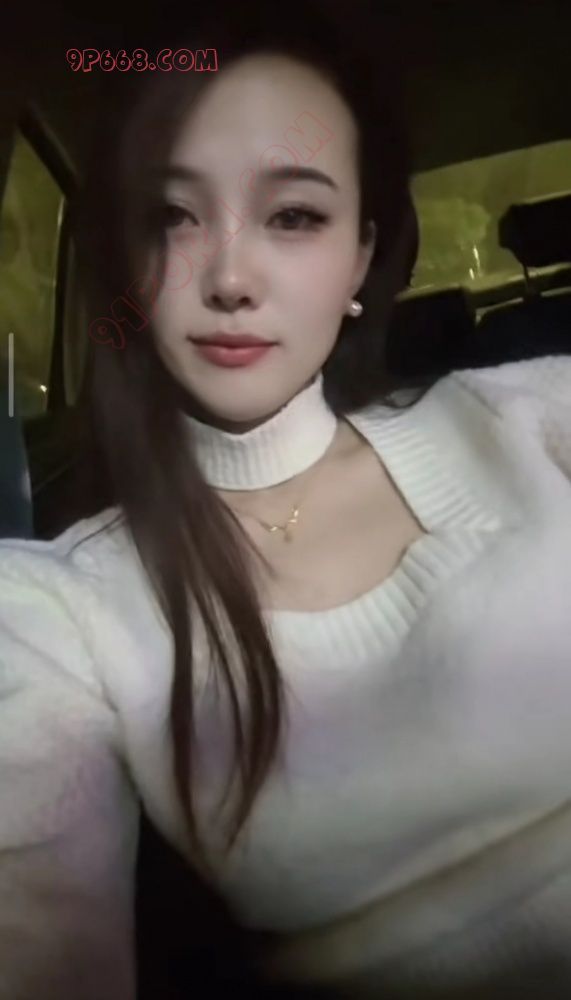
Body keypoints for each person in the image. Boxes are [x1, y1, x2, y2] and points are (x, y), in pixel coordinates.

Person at [1, 3, 571, 998]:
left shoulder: (536, 415)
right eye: (171, 217)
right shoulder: (57, 607)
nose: (229, 276)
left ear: (360, 258)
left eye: (294, 216)